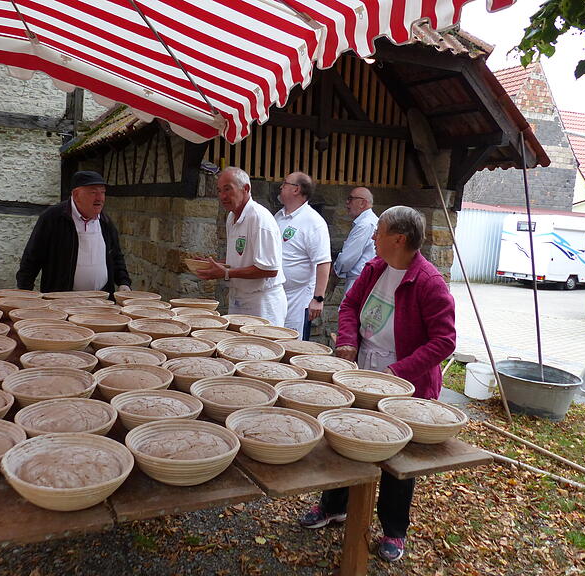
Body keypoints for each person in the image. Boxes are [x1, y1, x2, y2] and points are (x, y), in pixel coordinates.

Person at [299, 206, 456, 564]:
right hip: (362, 370)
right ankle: (333, 506)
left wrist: (399, 371)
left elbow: (445, 341)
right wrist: (348, 341)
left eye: (379, 231)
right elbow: (350, 305)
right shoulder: (375, 268)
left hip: (405, 383)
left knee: (396, 456)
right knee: (347, 438)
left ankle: (393, 530)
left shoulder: (428, 282)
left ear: (399, 239)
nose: (373, 236)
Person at [195, 167, 287, 326]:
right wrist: (212, 265)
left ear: (246, 189)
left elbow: (270, 269)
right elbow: (240, 257)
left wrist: (225, 273)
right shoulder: (231, 217)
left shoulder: (259, 218)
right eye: (219, 191)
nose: (222, 196)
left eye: (227, 189)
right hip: (239, 298)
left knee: (260, 349)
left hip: (262, 303)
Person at [16, 171, 131, 295]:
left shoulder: (105, 221)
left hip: (101, 302)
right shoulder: (53, 218)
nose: (100, 198)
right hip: (62, 301)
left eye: (102, 192)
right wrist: (24, 293)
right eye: (93, 192)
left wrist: (123, 282)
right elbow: (32, 257)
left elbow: (116, 256)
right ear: (76, 195)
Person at [274, 172, 331, 339]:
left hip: (298, 299)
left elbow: (323, 262)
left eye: (285, 183)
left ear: (296, 189)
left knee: (293, 343)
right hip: (277, 294)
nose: (281, 186)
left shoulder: (314, 222)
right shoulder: (279, 216)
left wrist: (318, 299)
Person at [332, 187, 378, 295]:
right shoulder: (369, 221)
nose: (347, 203)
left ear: (362, 203)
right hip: (363, 281)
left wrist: (335, 271)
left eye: (350, 199)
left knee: (349, 311)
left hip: (358, 283)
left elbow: (346, 259)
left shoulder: (365, 224)